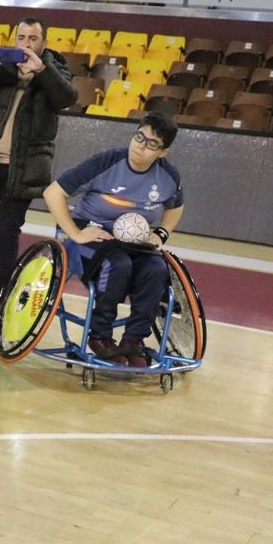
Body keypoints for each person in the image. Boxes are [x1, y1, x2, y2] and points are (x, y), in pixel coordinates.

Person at [42, 112, 184, 368]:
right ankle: (100, 336)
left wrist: (162, 233)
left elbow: (175, 207)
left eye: (151, 143)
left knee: (156, 268)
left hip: (133, 243)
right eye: (139, 136)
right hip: (90, 236)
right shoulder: (107, 162)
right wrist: (75, 232)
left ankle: (133, 340)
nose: (140, 146)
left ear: (163, 152)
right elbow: (53, 193)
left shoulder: (168, 176)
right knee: (118, 264)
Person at [0, 16, 76, 320]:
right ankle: (3, 279)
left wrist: (42, 71)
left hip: (24, 168)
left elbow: (67, 98)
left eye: (32, 39)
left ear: (43, 43)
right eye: (21, 38)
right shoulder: (3, 69)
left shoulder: (55, 70)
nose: (25, 44)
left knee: (8, 232)